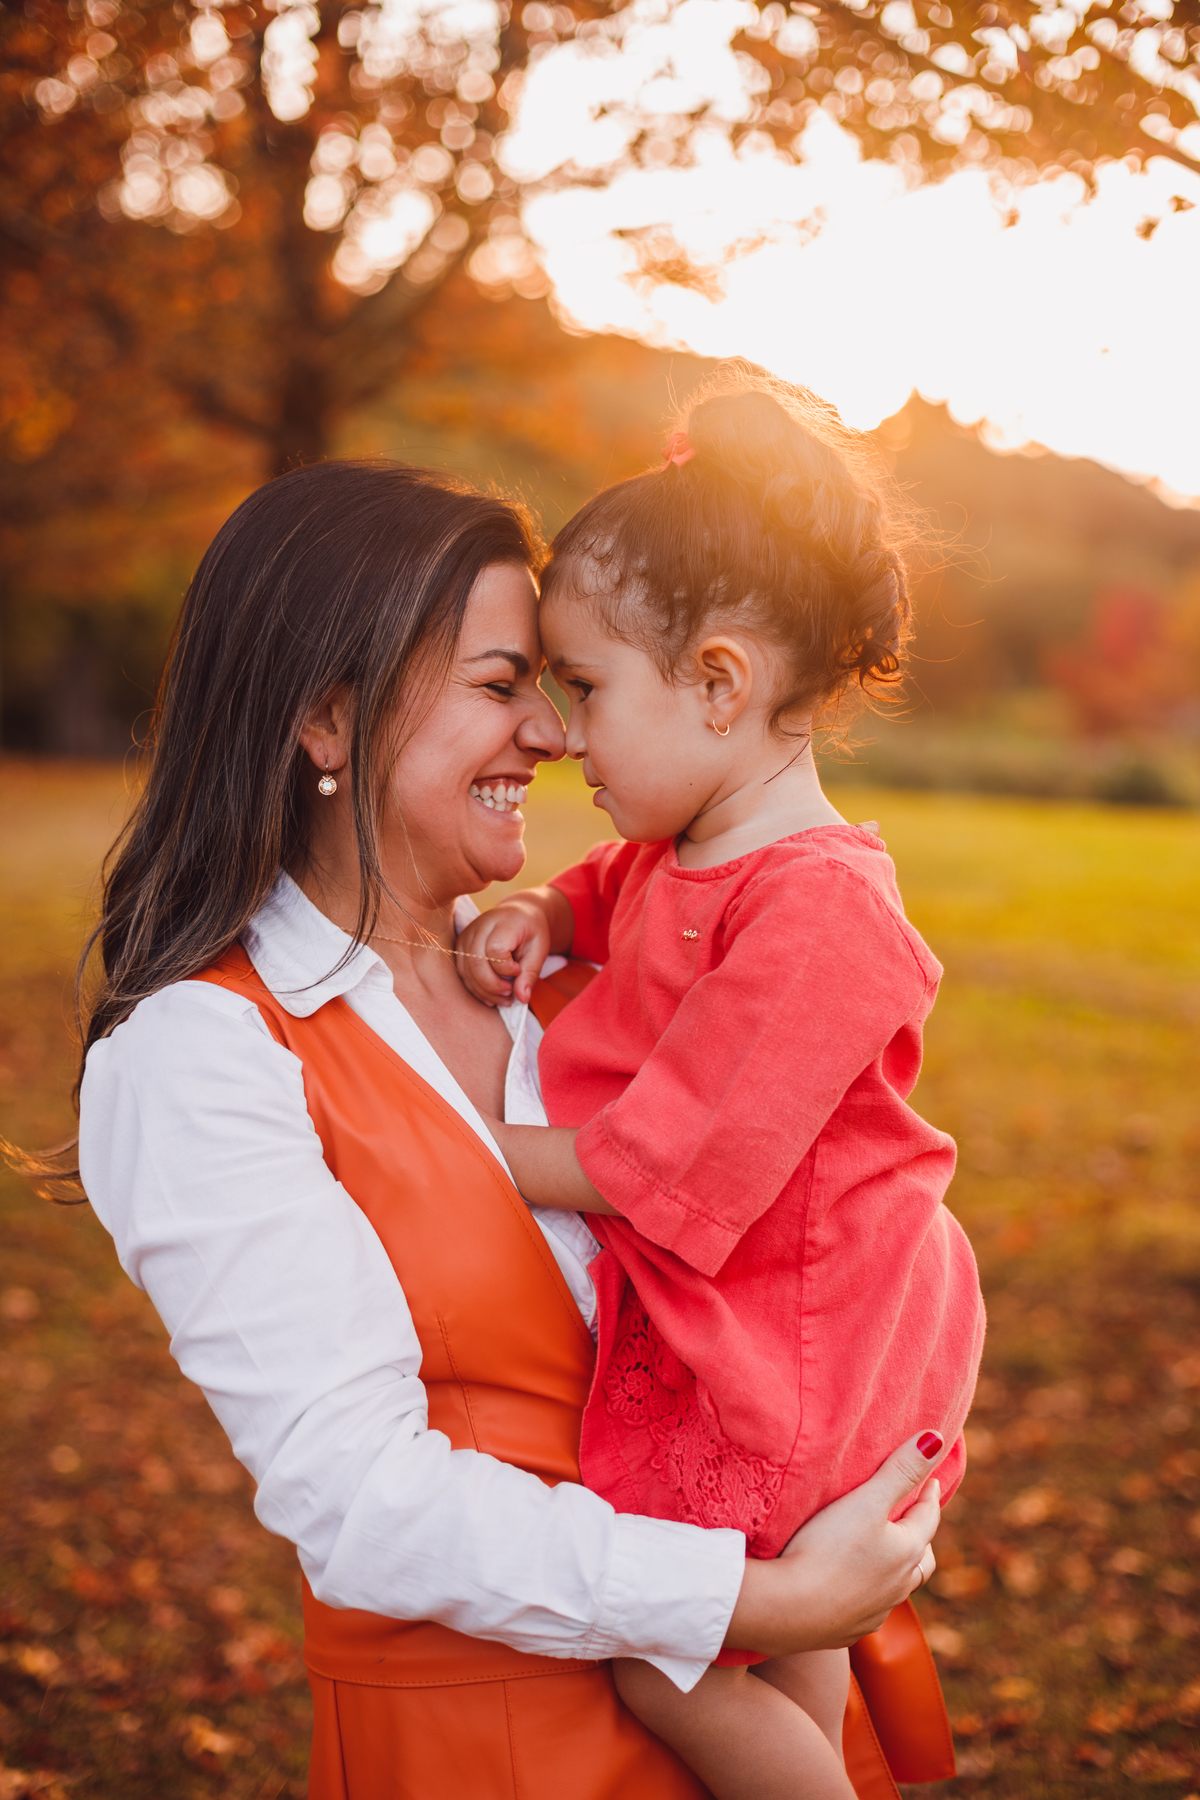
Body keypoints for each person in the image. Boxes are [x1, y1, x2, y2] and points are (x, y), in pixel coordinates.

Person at [14, 459, 945, 1800]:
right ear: (328, 722)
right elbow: (364, 1502)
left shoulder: (573, 980)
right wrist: (757, 1601)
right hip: (499, 1752)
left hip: (759, 1715)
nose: (557, 737)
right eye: (504, 685)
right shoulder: (202, 1052)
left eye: (563, 690)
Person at [454, 368, 986, 1800]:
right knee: (776, 1665)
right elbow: (620, 890)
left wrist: (466, 1145)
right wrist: (549, 918)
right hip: (759, 1321)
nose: (561, 735)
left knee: (666, 1655)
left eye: (585, 688)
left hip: (793, 1348)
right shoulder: (697, 848)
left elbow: (658, 1166)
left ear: (719, 683)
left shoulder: (820, 912)